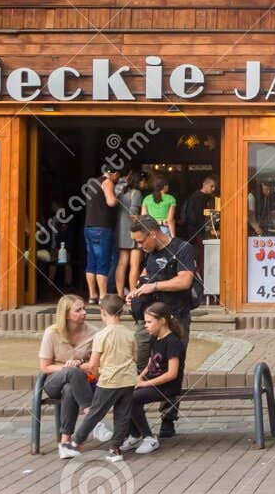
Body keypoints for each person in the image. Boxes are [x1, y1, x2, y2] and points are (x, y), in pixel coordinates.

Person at [126, 217, 200, 438]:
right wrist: (136, 291)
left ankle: (168, 419)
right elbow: (145, 276)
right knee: (141, 363)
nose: (140, 246)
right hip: (148, 318)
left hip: (175, 318)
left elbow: (185, 281)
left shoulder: (182, 248)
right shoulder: (150, 252)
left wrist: (153, 286)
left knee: (173, 366)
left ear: (153, 234)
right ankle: (136, 418)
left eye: (141, 241)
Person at [65, 295, 136, 460]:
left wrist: (94, 375)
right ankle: (115, 449)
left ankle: (76, 442)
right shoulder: (129, 334)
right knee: (123, 414)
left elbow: (93, 364)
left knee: (95, 412)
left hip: (109, 380)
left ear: (103, 313)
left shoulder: (101, 335)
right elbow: (135, 358)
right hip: (128, 380)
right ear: (122, 312)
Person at [40, 295, 105, 452]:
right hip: (54, 381)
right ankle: (92, 419)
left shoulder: (93, 333)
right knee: (71, 374)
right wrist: (66, 368)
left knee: (70, 388)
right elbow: (45, 367)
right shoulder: (51, 332)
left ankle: (65, 442)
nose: (84, 312)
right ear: (67, 314)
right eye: (78, 310)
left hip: (79, 381)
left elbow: (97, 363)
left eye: (84, 308)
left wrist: (82, 366)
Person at [124, 301, 187, 455]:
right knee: (124, 394)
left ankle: (149, 437)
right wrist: (139, 378)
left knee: (132, 398)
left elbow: (172, 374)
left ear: (162, 321)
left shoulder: (173, 342)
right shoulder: (155, 338)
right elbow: (151, 363)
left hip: (167, 387)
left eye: (149, 322)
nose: (146, 325)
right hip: (153, 383)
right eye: (145, 322)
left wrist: (146, 384)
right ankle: (134, 434)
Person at [82, 164, 120, 304]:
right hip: (102, 227)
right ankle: (103, 296)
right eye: (118, 175)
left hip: (88, 226)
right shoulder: (107, 182)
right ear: (114, 174)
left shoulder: (92, 182)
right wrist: (117, 199)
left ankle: (92, 296)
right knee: (103, 262)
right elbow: (110, 202)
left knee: (91, 262)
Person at [114, 165, 144, 298]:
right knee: (135, 265)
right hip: (133, 230)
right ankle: (132, 293)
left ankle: (120, 294)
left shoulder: (120, 191)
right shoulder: (136, 193)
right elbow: (133, 213)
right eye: (144, 181)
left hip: (120, 230)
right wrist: (145, 219)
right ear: (139, 181)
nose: (145, 184)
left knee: (121, 263)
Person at [182, 175, 218, 244]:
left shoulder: (205, 197)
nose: (213, 189)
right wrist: (208, 230)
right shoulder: (198, 197)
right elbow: (199, 215)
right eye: (211, 186)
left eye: (214, 187)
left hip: (199, 229)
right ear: (204, 184)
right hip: (197, 231)